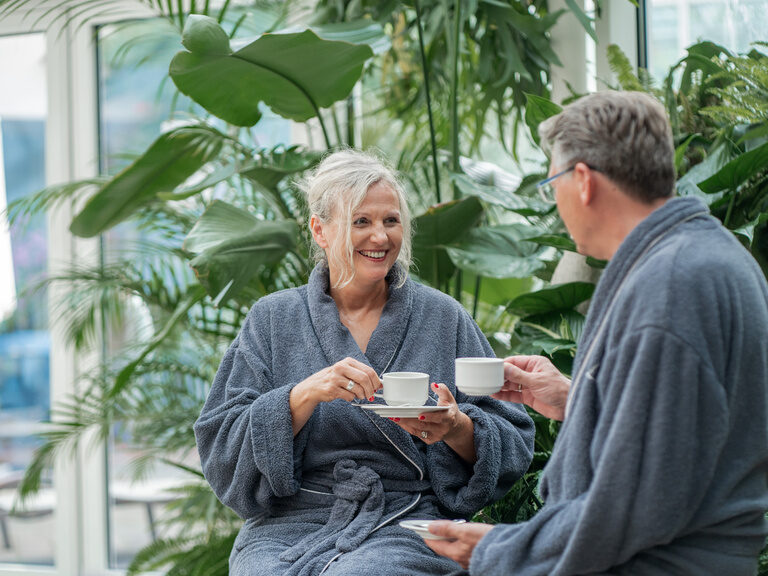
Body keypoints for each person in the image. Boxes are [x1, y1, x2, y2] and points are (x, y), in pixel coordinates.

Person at [425, 91, 768, 575]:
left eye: (552, 185)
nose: (556, 201)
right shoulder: (715, 258)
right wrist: (572, 398)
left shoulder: (670, 286)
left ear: (582, 181)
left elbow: (637, 501)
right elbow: (686, 429)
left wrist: (500, 551)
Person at [193, 149, 535, 576]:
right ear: (320, 230)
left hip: (407, 517)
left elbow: (512, 436)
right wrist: (301, 396)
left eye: (391, 221)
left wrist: (455, 427)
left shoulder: (442, 316)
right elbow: (220, 440)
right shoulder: (272, 318)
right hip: (292, 521)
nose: (380, 237)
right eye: (361, 222)